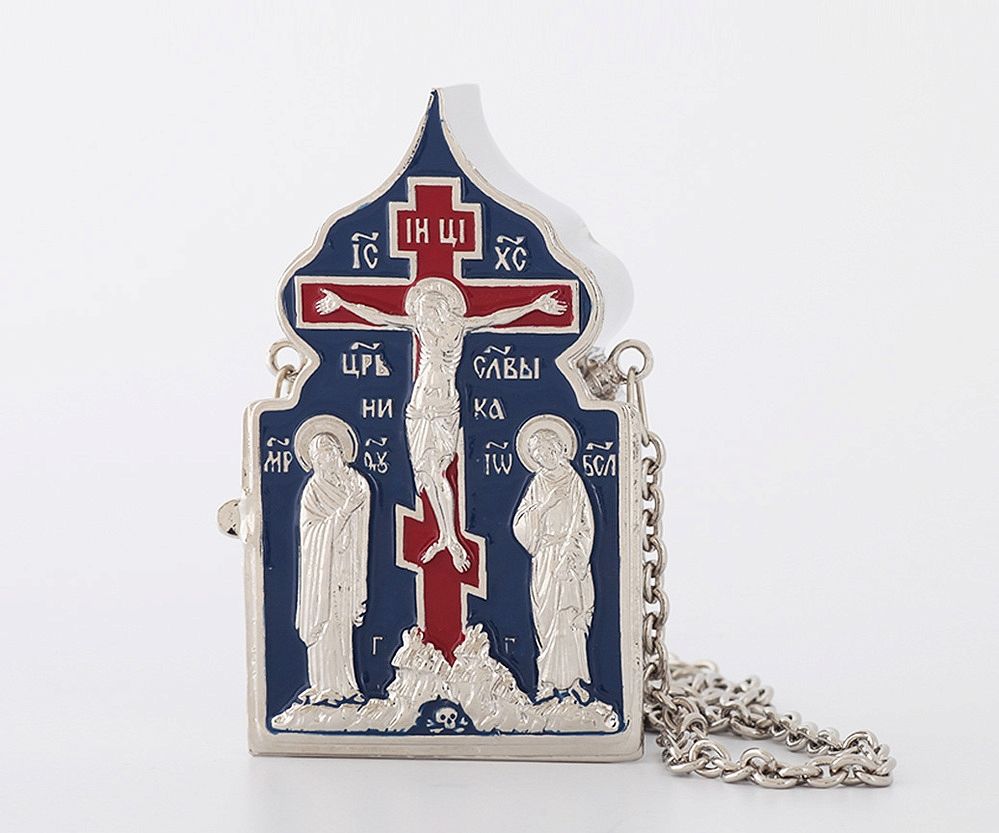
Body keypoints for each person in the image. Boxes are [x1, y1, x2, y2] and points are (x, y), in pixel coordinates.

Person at [316, 277, 566, 571]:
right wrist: (342, 304)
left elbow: (496, 317)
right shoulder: (419, 327)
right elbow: (380, 317)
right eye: (421, 311)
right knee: (426, 473)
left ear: (441, 309)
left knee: (437, 472)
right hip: (418, 407)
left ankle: (451, 538)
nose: (423, 316)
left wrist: (535, 306)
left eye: (427, 310)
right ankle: (445, 535)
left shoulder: (458, 327)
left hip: (444, 407)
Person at [513, 420, 595, 702]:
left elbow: (586, 523)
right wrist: (546, 504)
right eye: (538, 456)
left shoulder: (574, 482)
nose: (544, 458)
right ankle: (547, 682)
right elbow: (520, 524)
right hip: (546, 555)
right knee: (546, 622)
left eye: (548, 452)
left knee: (568, 619)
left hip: (569, 558)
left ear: (559, 449)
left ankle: (574, 681)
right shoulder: (538, 483)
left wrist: (572, 557)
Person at [296, 429, 371, 705]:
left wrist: (352, 507)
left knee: (342, 627)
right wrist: (344, 511)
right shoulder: (313, 490)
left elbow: (361, 523)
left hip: (345, 564)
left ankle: (346, 685)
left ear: (339, 452)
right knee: (326, 624)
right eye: (317, 456)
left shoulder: (356, 482)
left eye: (327, 453)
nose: (323, 460)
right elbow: (310, 532)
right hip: (321, 570)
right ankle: (323, 686)